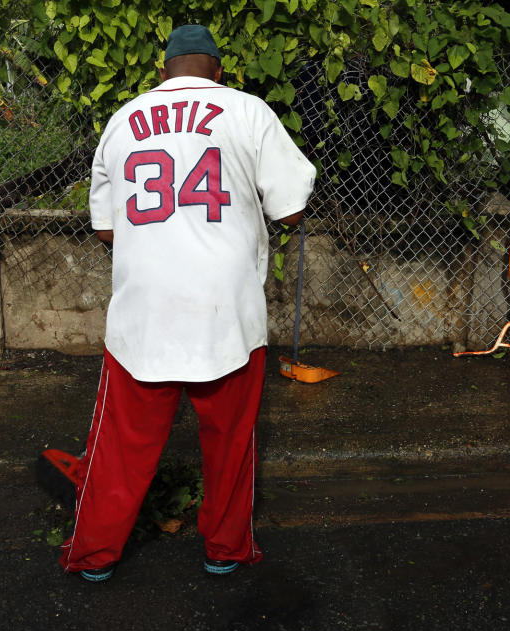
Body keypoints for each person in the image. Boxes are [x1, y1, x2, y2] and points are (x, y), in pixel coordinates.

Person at [59, 24, 316, 581]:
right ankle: (225, 551)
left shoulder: (123, 119)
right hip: (228, 313)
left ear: (163, 72)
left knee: (120, 449)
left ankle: (94, 558)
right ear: (218, 72)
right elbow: (291, 209)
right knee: (230, 445)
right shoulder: (248, 111)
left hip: (144, 315)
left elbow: (106, 229)